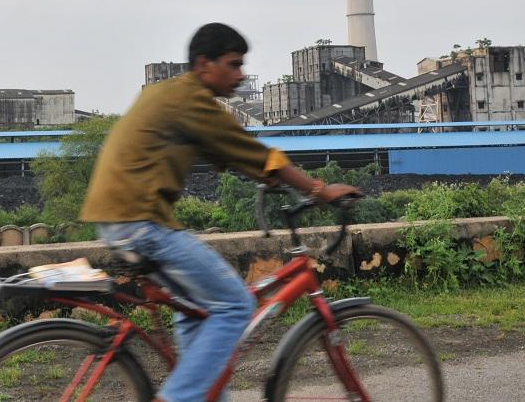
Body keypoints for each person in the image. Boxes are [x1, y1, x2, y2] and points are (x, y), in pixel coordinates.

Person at [80, 23, 361, 402]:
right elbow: (254, 152)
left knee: (198, 309)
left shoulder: (170, 94)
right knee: (235, 304)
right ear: (204, 64)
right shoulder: (193, 101)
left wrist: (269, 178)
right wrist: (320, 190)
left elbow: (231, 153)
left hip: (119, 219)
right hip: (141, 223)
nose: (241, 75)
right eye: (233, 64)